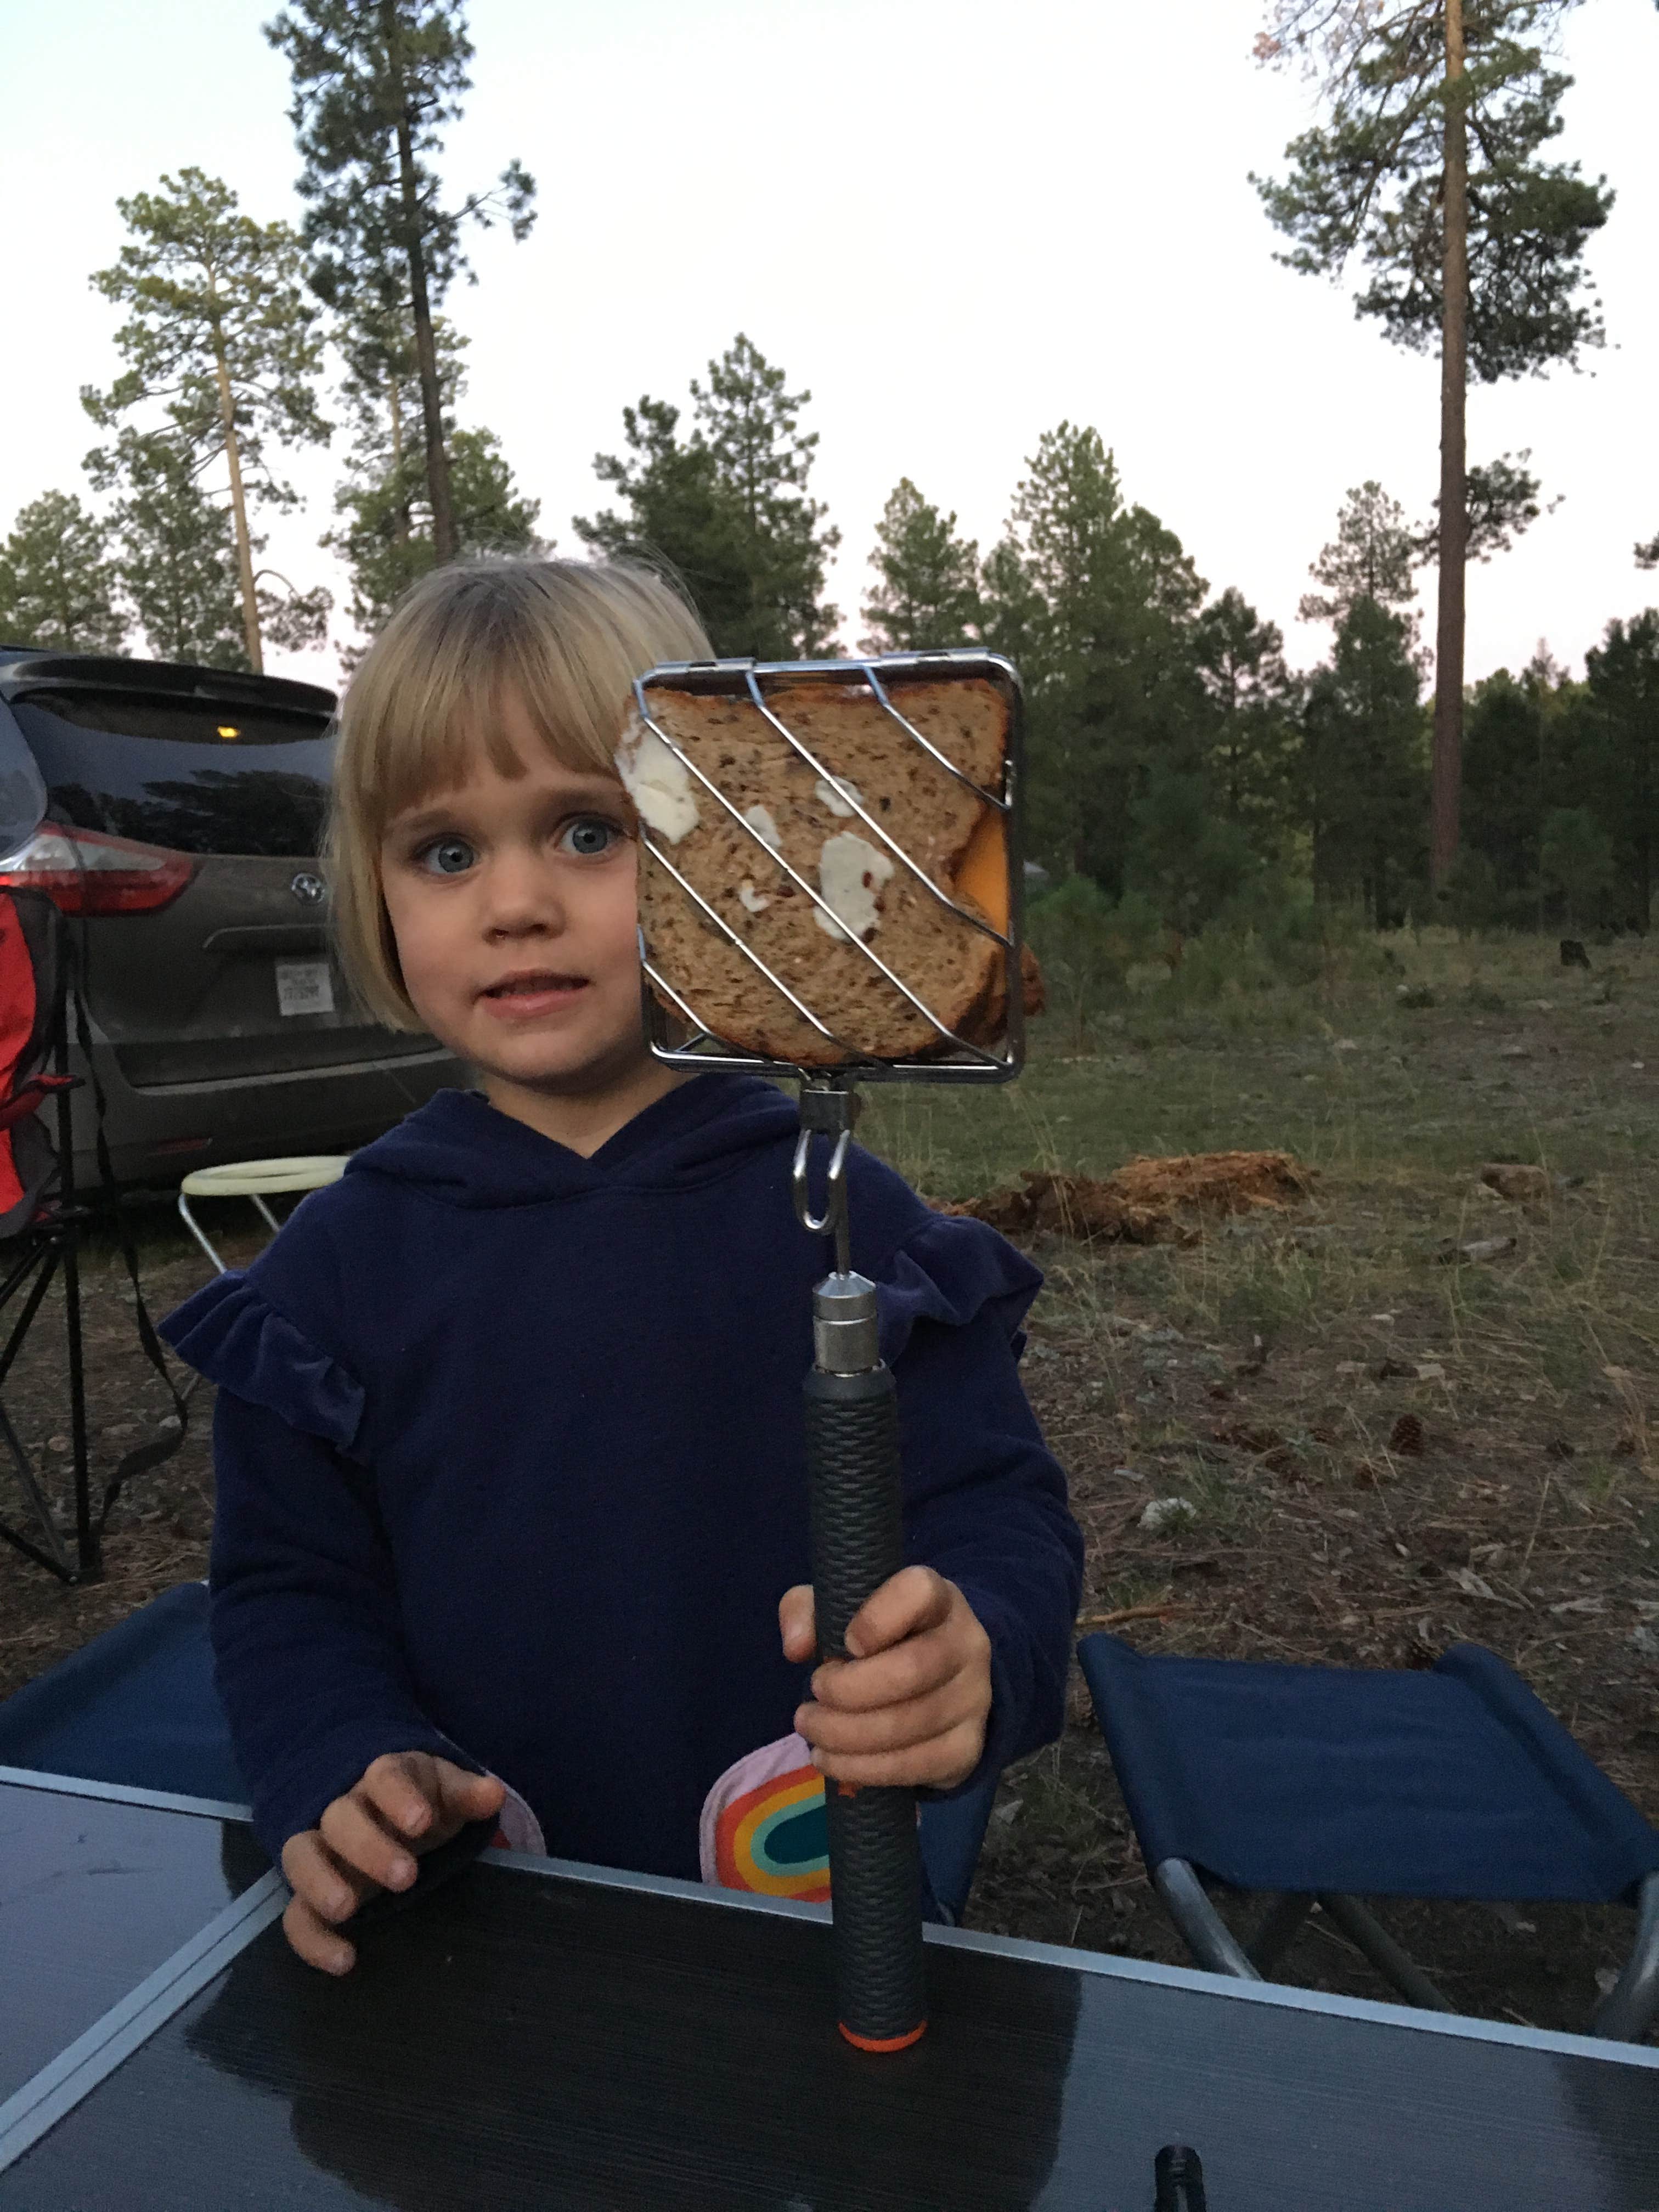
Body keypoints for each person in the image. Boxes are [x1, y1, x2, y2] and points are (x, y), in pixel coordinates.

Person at [161, 558, 1082, 1975]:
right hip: (473, 1963)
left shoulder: (843, 1218)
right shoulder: (337, 1274)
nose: (516, 903)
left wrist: (979, 1650)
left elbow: (997, 1513)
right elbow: (290, 1593)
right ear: (375, 892)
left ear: (728, 853)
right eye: (447, 853)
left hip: (821, 1956)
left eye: (589, 832)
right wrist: (341, 1759)